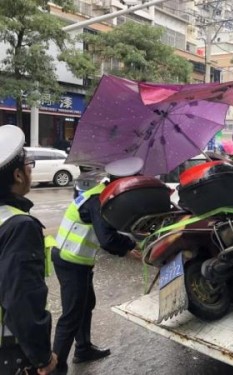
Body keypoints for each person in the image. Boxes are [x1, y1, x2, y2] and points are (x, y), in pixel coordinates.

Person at [51, 157, 143, 375]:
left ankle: (83, 349)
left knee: (86, 303)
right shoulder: (98, 200)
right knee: (71, 315)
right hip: (69, 261)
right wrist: (130, 249)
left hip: (78, 261)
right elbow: (107, 239)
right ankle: (56, 368)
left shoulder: (104, 194)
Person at [0, 125, 58, 375]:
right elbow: (21, 299)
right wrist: (42, 357)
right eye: (29, 164)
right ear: (18, 175)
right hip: (9, 348)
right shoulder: (19, 226)